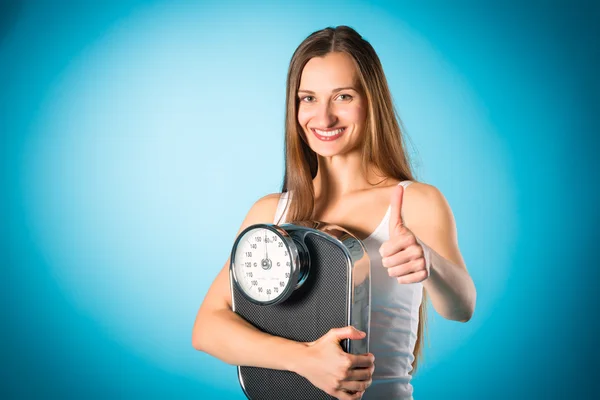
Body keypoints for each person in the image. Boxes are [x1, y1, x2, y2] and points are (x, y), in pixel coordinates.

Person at [192, 26, 476, 400]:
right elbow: (207, 328)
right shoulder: (271, 211)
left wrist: (429, 263)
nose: (323, 118)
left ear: (371, 101)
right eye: (308, 98)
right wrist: (304, 359)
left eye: (342, 96)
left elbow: (461, 308)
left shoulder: (413, 202)